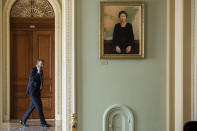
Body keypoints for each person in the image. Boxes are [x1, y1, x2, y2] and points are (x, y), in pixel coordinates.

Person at [20, 59, 50, 127]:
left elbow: (41, 81)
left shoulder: (41, 71)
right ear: (38, 64)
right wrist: (38, 72)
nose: (42, 65)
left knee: (32, 107)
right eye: (41, 64)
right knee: (39, 107)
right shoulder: (33, 70)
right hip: (33, 92)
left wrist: (41, 88)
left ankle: (22, 120)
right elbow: (32, 80)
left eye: (43, 64)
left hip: (37, 92)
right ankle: (43, 123)